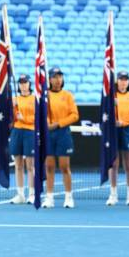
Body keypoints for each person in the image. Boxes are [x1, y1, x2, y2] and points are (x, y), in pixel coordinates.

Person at [41, 68, 79, 209]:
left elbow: (75, 115)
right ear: (49, 79)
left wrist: (58, 124)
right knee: (49, 166)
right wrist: (46, 123)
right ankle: (49, 197)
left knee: (64, 166)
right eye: (55, 77)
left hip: (63, 133)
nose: (58, 80)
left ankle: (69, 197)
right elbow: (39, 113)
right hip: (48, 134)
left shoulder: (68, 95)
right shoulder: (44, 96)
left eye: (60, 77)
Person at [106, 71, 129, 207]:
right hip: (113, 131)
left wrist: (123, 121)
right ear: (117, 81)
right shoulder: (111, 97)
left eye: (126, 79)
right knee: (113, 164)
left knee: (128, 164)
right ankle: (113, 194)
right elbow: (105, 113)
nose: (123, 82)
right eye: (121, 79)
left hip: (127, 131)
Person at [9, 74, 35, 204]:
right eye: (21, 83)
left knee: (30, 165)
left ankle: (31, 193)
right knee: (18, 165)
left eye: (25, 83)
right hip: (17, 132)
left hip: (30, 132)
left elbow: (38, 119)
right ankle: (20, 194)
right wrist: (13, 110)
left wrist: (24, 118)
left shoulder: (35, 99)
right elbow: (10, 120)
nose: (23, 85)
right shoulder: (15, 99)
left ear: (29, 84)